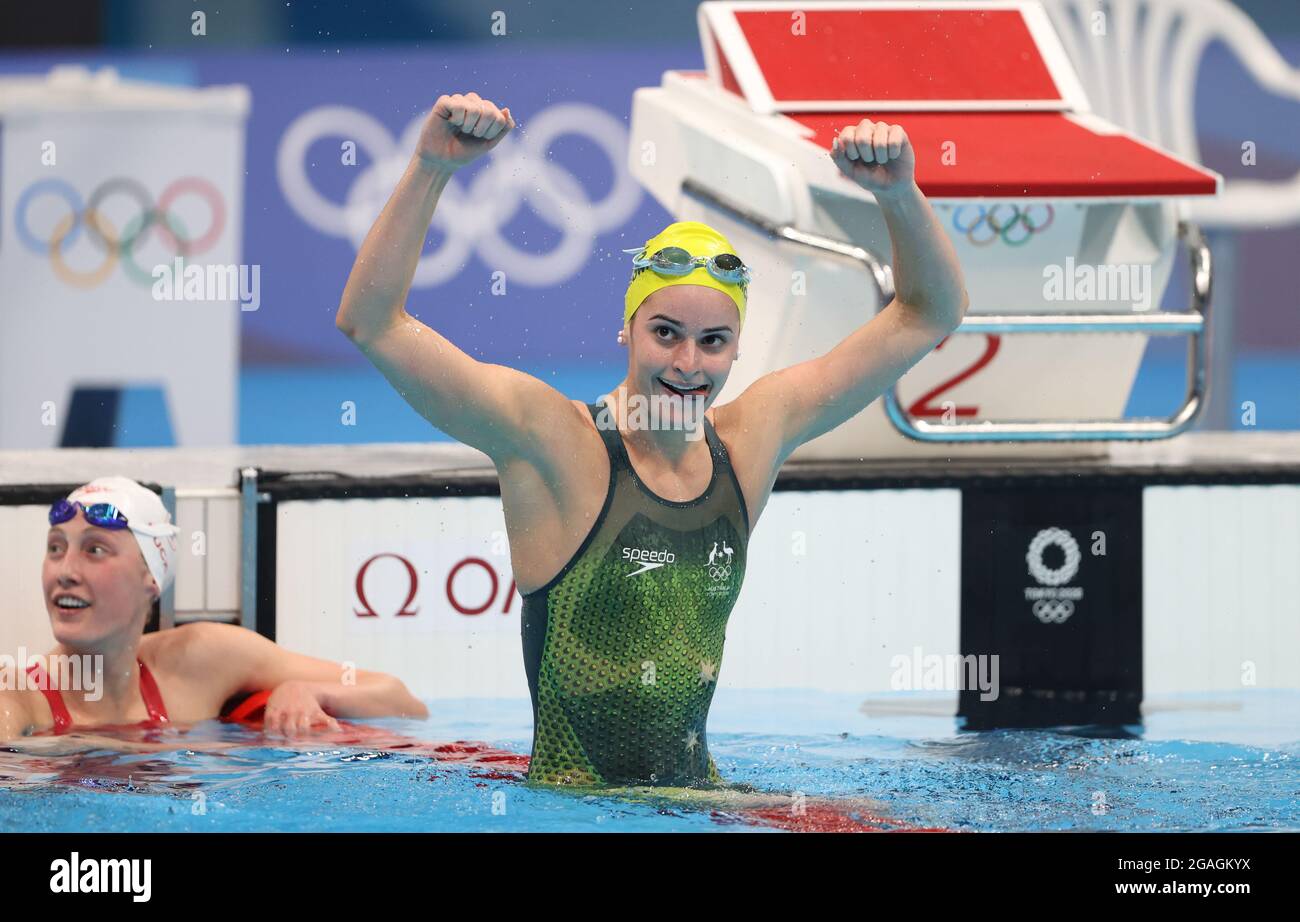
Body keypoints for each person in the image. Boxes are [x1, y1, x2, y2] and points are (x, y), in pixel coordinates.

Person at [335, 92, 968, 790]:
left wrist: (900, 194)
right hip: (579, 813)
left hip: (700, 798)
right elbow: (373, 322)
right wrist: (430, 167)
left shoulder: (752, 438)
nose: (687, 365)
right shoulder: (555, 443)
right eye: (664, 333)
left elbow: (927, 313)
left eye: (712, 342)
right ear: (626, 331)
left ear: (735, 351)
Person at [0, 476, 426, 741]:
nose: (65, 570)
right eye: (55, 548)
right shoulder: (18, 698)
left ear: (152, 577)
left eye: (95, 550)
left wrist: (309, 691)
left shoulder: (201, 658)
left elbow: (403, 701)